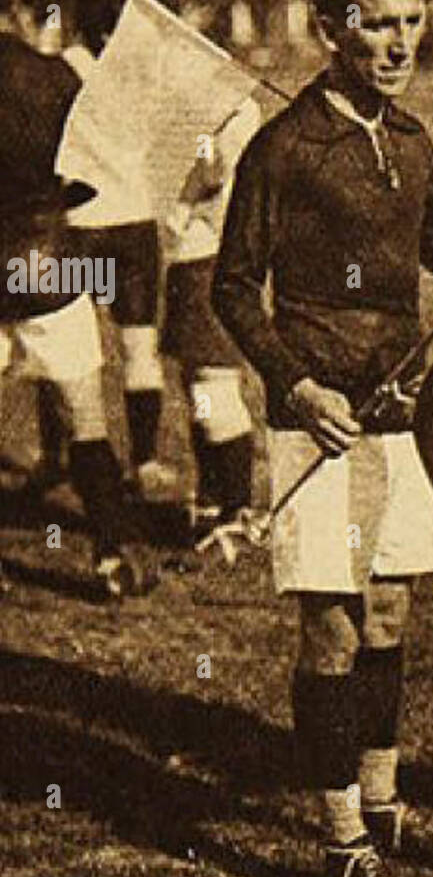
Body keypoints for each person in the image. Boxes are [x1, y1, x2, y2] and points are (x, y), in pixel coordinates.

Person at [213, 0, 433, 877]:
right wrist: (294, 386)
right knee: (332, 628)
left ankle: (382, 807)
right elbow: (230, 286)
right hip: (320, 423)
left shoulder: (413, 140)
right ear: (331, 31)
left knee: (388, 619)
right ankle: (340, 841)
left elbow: (432, 242)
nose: (400, 41)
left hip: (390, 415)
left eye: (413, 20)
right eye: (378, 22)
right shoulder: (285, 146)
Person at [0, 0, 151, 597]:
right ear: (13, 3)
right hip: (47, 263)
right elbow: (85, 179)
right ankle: (115, 552)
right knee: (86, 418)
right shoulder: (56, 78)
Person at [58, 0, 174, 502]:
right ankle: (145, 460)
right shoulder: (147, 73)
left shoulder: (64, 71)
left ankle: (58, 456)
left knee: (67, 350)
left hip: (80, 226)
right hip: (133, 223)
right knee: (138, 348)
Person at [162, 97, 261, 548]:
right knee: (194, 382)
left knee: (212, 384)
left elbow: (213, 174)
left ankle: (239, 506)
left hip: (210, 257)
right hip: (193, 260)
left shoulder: (227, 107)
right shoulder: (217, 106)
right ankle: (212, 496)